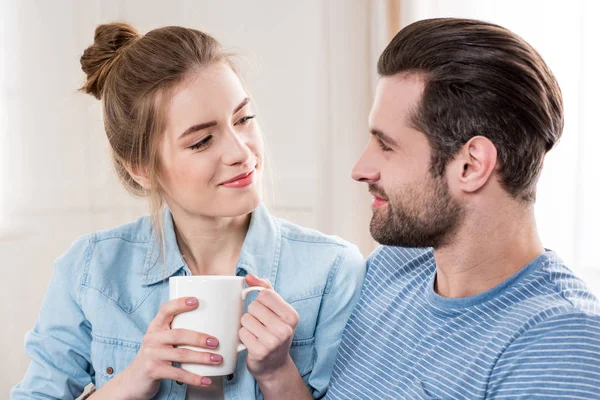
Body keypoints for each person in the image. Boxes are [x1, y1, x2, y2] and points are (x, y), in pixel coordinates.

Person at [11, 23, 365, 400]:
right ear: (141, 168)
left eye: (243, 119)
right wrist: (132, 381)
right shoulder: (91, 270)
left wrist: (278, 373)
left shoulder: (332, 271)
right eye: (201, 141)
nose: (241, 153)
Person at [326, 18, 600, 400]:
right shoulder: (391, 268)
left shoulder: (561, 343)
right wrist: (273, 371)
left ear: (471, 166)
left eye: (386, 146)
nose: (361, 170)